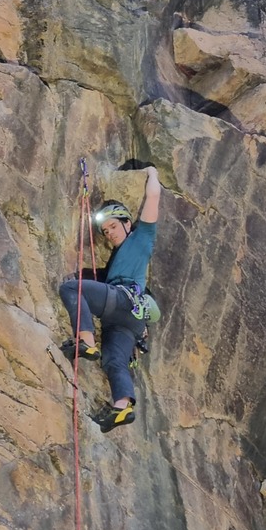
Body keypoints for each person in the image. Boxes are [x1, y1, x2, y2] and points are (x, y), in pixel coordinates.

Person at [59, 165, 161, 433]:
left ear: (127, 223)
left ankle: (86, 342)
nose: (110, 233)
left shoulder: (141, 238)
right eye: (105, 231)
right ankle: (122, 406)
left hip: (124, 300)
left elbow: (153, 197)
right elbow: (100, 277)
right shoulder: (115, 262)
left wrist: (152, 173)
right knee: (114, 360)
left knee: (72, 289)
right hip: (128, 321)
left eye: (114, 226)